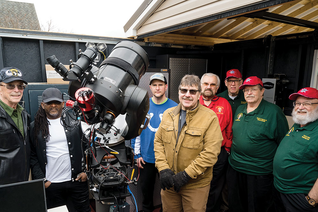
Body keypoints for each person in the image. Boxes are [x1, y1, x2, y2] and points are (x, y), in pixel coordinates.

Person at [154, 74, 223, 212]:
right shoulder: (169, 114)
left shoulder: (209, 118)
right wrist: (163, 169)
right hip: (170, 184)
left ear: (199, 94)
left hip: (195, 186)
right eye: (183, 90)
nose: (187, 95)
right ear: (178, 92)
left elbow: (211, 153)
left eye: (192, 91)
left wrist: (187, 175)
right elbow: (158, 142)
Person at [227, 76, 289, 212]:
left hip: (259, 172)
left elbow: (283, 142)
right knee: (236, 205)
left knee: (257, 207)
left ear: (262, 91)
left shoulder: (274, 112)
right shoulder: (240, 110)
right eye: (246, 90)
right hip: (235, 168)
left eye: (253, 89)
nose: (249, 93)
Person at [30, 88, 90, 212]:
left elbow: (87, 147)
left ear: (63, 104)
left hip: (76, 182)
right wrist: (42, 179)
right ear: (42, 105)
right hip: (51, 185)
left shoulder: (75, 122)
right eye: (49, 103)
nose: (53, 105)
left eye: (57, 102)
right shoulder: (35, 127)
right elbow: (33, 155)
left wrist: (86, 172)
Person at [131, 73, 177, 212]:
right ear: (150, 87)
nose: (158, 88)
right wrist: (137, 154)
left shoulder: (175, 107)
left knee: (168, 193)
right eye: (155, 85)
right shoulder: (143, 106)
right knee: (146, 193)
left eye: (160, 85)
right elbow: (136, 132)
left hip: (167, 158)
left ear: (166, 87)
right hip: (146, 158)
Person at [273, 87, 318, 212]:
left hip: (299, 195)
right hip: (279, 189)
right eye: (298, 103)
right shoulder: (299, 123)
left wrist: (312, 199)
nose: (300, 107)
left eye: (307, 103)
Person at [199, 73, 233, 212]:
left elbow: (229, 129)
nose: (209, 87)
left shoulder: (224, 104)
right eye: (206, 84)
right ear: (201, 85)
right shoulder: (193, 102)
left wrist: (226, 149)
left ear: (217, 87)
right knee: (196, 184)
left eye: (212, 85)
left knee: (215, 186)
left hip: (218, 155)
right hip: (196, 154)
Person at [0, 67, 30, 185]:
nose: (17, 90)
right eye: (10, 86)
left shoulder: (24, 114)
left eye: (20, 86)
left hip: (21, 182)